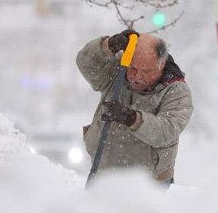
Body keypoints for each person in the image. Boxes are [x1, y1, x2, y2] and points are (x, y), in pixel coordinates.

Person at [76, 29, 193, 186]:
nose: (138, 76)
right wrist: (107, 46)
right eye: (133, 68)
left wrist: (132, 118)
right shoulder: (116, 69)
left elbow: (166, 130)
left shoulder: (176, 90)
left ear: (162, 63)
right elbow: (85, 63)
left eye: (146, 71)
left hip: (151, 182)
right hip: (104, 173)